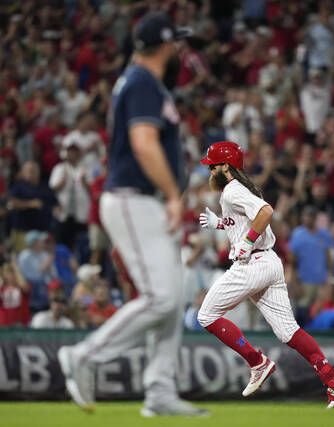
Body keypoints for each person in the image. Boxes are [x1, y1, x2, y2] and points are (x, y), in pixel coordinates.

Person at [57, 12, 207, 417]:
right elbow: (143, 143)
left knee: (173, 299)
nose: (180, 50)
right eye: (175, 43)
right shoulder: (142, 82)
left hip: (144, 200)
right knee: (161, 298)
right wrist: (174, 194)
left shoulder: (144, 82)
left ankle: (159, 389)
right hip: (131, 197)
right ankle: (84, 356)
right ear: (163, 46)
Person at [196, 140, 334, 408]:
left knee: (206, 315)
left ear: (226, 166)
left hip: (253, 265)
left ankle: (257, 362)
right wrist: (219, 224)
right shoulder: (241, 188)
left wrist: (245, 243)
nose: (210, 172)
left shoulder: (232, 190)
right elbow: (245, 220)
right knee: (288, 331)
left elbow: (266, 212)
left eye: (213, 167)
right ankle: (332, 379)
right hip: (269, 262)